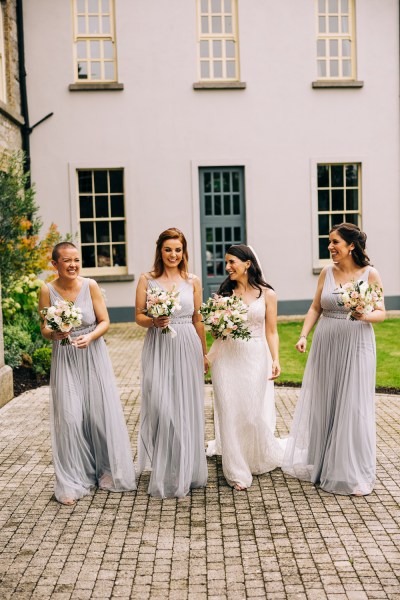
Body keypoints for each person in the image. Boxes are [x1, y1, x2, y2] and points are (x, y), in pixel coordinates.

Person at [282, 223, 385, 496]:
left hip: (357, 341)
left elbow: (381, 312)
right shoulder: (327, 272)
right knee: (326, 399)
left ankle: (349, 470)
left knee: (352, 403)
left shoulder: (369, 274)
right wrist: (304, 334)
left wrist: (365, 315)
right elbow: (315, 306)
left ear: (351, 246)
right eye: (329, 242)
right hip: (327, 340)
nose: (330, 247)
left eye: (335, 242)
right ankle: (324, 462)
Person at [39, 242, 136, 506]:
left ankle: (106, 470)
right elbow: (44, 328)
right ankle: (72, 479)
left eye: (76, 260)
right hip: (66, 357)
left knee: (98, 414)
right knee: (70, 417)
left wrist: (90, 337)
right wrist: (54, 333)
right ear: (55, 264)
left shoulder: (90, 285)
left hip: (93, 355)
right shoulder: (46, 290)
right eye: (67, 261)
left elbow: (105, 321)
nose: (73, 265)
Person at [136, 228, 208, 498]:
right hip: (159, 344)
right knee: (162, 405)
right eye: (168, 249)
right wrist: (154, 321)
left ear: (184, 251)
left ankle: (186, 469)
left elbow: (197, 318)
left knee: (186, 405)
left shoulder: (193, 281)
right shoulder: (147, 279)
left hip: (187, 344)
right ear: (160, 251)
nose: (173, 255)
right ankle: (166, 469)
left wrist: (203, 353)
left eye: (178, 250)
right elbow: (138, 316)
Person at [206, 244, 285, 491]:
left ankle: (254, 455)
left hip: (254, 357)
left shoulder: (267, 295)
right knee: (228, 412)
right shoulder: (223, 295)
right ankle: (236, 470)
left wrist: (275, 358)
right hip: (226, 358)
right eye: (226, 262)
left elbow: (271, 331)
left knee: (251, 415)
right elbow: (216, 332)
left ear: (247, 264)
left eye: (232, 262)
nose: (227, 267)